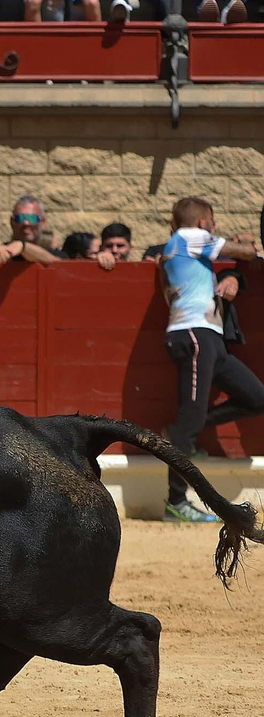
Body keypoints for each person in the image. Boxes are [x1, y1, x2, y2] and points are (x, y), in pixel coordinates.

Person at [159, 196, 264, 522]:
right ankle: (176, 502)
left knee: (257, 397)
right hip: (194, 336)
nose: (215, 231)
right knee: (187, 419)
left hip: (209, 338)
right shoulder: (189, 237)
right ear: (204, 223)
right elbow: (243, 253)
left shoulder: (180, 249)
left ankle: (182, 431)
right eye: (214, 224)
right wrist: (254, 249)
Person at [0, 196, 60, 264]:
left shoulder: (53, 253)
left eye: (32, 218)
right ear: (12, 222)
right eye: (20, 218)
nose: (26, 223)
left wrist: (22, 247)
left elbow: (58, 264)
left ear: (43, 222)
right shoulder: (2, 251)